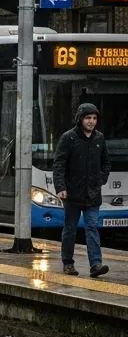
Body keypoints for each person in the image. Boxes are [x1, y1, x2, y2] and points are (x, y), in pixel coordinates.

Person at [53, 102, 110, 278]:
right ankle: (68, 263)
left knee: (92, 226)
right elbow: (59, 164)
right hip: (72, 194)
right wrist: (61, 187)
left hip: (93, 194)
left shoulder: (99, 138)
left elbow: (106, 162)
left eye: (94, 118)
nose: (91, 122)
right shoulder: (68, 138)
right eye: (88, 118)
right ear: (80, 119)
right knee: (70, 228)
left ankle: (96, 264)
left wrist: (101, 179)